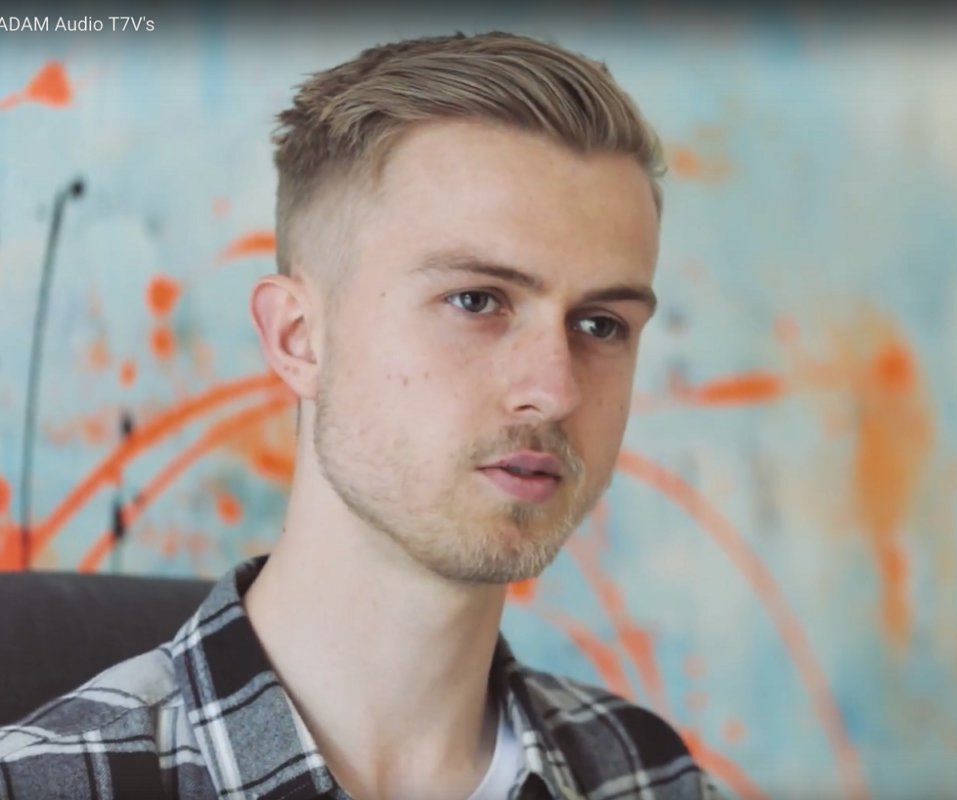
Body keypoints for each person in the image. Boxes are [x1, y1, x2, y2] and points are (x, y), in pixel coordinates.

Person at [0, 30, 724, 800]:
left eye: (601, 325)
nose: (555, 390)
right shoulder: (53, 784)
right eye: (476, 301)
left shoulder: (652, 778)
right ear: (299, 338)